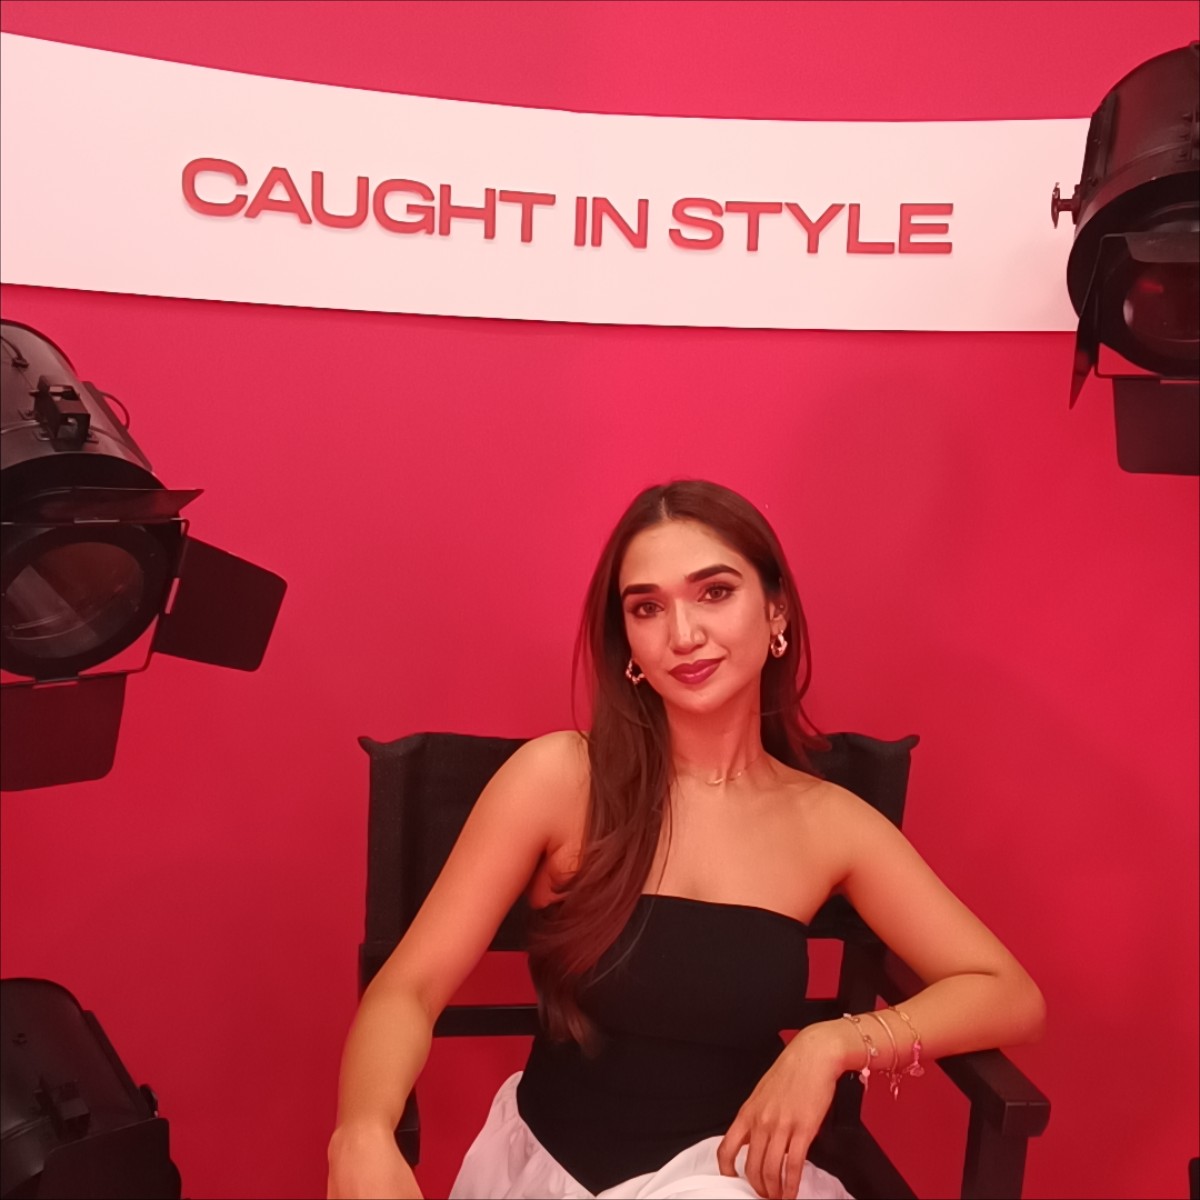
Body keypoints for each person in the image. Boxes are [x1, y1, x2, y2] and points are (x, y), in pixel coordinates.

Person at [326, 480, 1046, 1200]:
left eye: (714, 593)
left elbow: (1008, 993)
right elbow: (410, 987)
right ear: (628, 641)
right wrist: (360, 1131)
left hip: (726, 1177)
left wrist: (833, 1043)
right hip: (550, 1173)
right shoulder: (560, 778)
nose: (683, 635)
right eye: (647, 607)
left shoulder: (830, 822)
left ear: (776, 610)